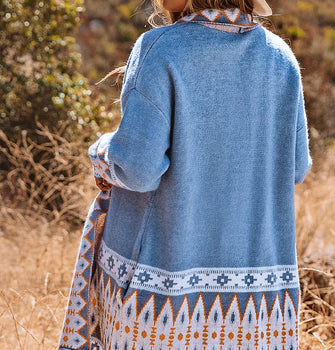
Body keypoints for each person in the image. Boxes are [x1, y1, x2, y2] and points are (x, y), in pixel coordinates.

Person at [58, 0, 313, 349]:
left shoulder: (161, 48)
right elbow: (295, 168)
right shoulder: (281, 58)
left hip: (161, 304)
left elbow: (137, 169)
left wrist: (102, 153)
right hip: (261, 310)